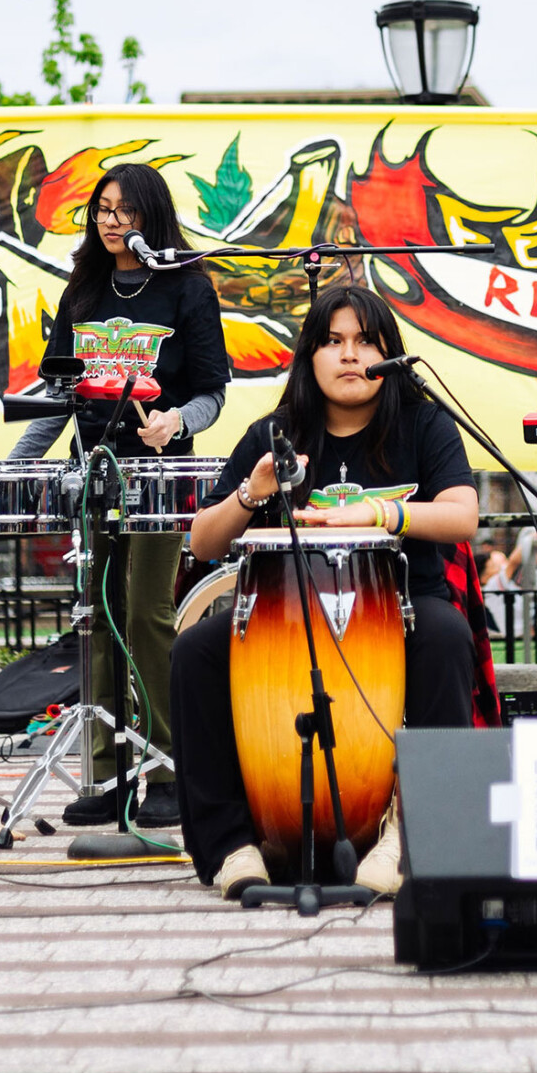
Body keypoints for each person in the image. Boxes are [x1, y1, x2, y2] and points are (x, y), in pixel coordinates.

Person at [171, 284, 480, 900]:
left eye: (365, 341)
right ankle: (231, 843)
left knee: (448, 636)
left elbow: (463, 514)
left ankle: (410, 834)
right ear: (309, 355)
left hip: (403, 606)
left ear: (389, 354)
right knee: (196, 652)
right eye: (333, 341)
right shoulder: (275, 433)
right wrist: (252, 493)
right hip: (281, 617)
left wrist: (382, 517)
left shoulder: (424, 422)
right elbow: (203, 542)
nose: (348, 355)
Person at [9, 162, 230, 828]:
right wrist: (18, 466)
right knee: (98, 619)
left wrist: (176, 421)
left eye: (125, 210)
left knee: (144, 614)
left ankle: (165, 769)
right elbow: (58, 395)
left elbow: (212, 392)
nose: (111, 220)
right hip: (93, 477)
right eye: (103, 209)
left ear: (151, 217)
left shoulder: (187, 290)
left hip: (161, 483)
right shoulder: (81, 293)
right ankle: (107, 773)